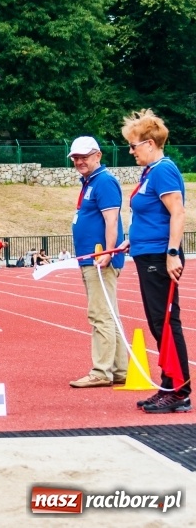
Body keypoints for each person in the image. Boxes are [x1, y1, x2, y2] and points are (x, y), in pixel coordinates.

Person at [121, 109, 191, 413]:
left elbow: (178, 211)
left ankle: (179, 391)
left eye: (134, 145)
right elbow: (151, 214)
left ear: (150, 143)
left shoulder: (163, 170)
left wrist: (172, 252)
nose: (131, 151)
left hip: (160, 256)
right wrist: (132, 240)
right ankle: (169, 384)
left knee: (165, 322)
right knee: (157, 322)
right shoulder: (151, 172)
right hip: (147, 252)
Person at [66, 136, 127, 389]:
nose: (79, 161)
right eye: (76, 158)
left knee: (100, 313)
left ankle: (101, 371)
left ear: (98, 156)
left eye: (84, 156)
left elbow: (112, 220)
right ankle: (119, 369)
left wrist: (108, 253)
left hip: (99, 258)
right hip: (92, 257)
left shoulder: (103, 182)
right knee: (108, 312)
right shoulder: (90, 182)